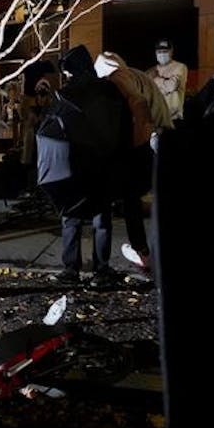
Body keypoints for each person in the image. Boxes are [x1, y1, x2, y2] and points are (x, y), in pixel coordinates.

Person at [38, 45, 132, 287]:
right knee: (102, 218)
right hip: (105, 163)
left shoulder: (66, 96)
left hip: (76, 163)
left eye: (68, 72)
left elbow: (53, 130)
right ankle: (102, 269)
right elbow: (124, 128)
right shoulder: (110, 91)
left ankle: (71, 269)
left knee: (71, 216)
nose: (66, 76)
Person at [93, 51, 171, 272]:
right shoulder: (137, 74)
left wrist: (133, 143)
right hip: (159, 136)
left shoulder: (118, 77)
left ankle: (143, 252)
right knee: (153, 198)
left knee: (131, 201)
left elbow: (138, 105)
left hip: (144, 143)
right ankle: (155, 250)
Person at [149, 39, 189, 123]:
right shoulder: (151, 70)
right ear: (156, 53)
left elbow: (172, 86)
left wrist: (156, 78)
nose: (162, 54)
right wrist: (165, 85)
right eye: (159, 52)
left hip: (173, 118)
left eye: (165, 51)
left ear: (171, 52)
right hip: (155, 118)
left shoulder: (180, 67)